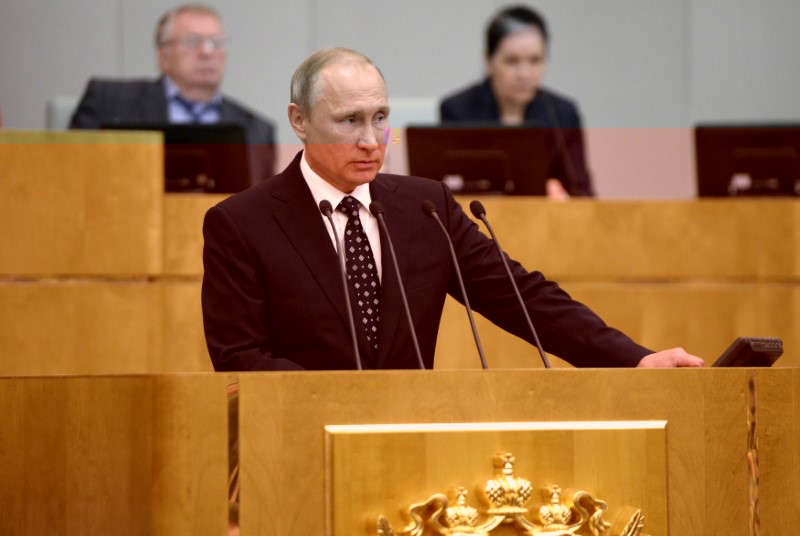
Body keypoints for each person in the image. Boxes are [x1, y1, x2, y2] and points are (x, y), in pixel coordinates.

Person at [201, 46, 703, 371]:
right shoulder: (242, 224)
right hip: (299, 444)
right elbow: (240, 355)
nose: (371, 141)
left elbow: (521, 296)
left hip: (414, 444)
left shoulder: (424, 207)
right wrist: (340, 402)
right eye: (349, 121)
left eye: (380, 118)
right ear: (299, 121)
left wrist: (635, 360)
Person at [69, 3, 275, 183]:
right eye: (192, 42)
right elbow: (70, 172)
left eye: (215, 43)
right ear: (163, 56)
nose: (207, 52)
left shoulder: (256, 129)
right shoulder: (109, 101)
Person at [440, 5, 593, 198]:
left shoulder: (562, 113)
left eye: (535, 60)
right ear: (488, 61)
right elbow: (449, 190)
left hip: (545, 223)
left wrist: (563, 197)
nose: (525, 74)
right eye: (512, 61)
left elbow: (583, 193)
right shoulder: (458, 110)